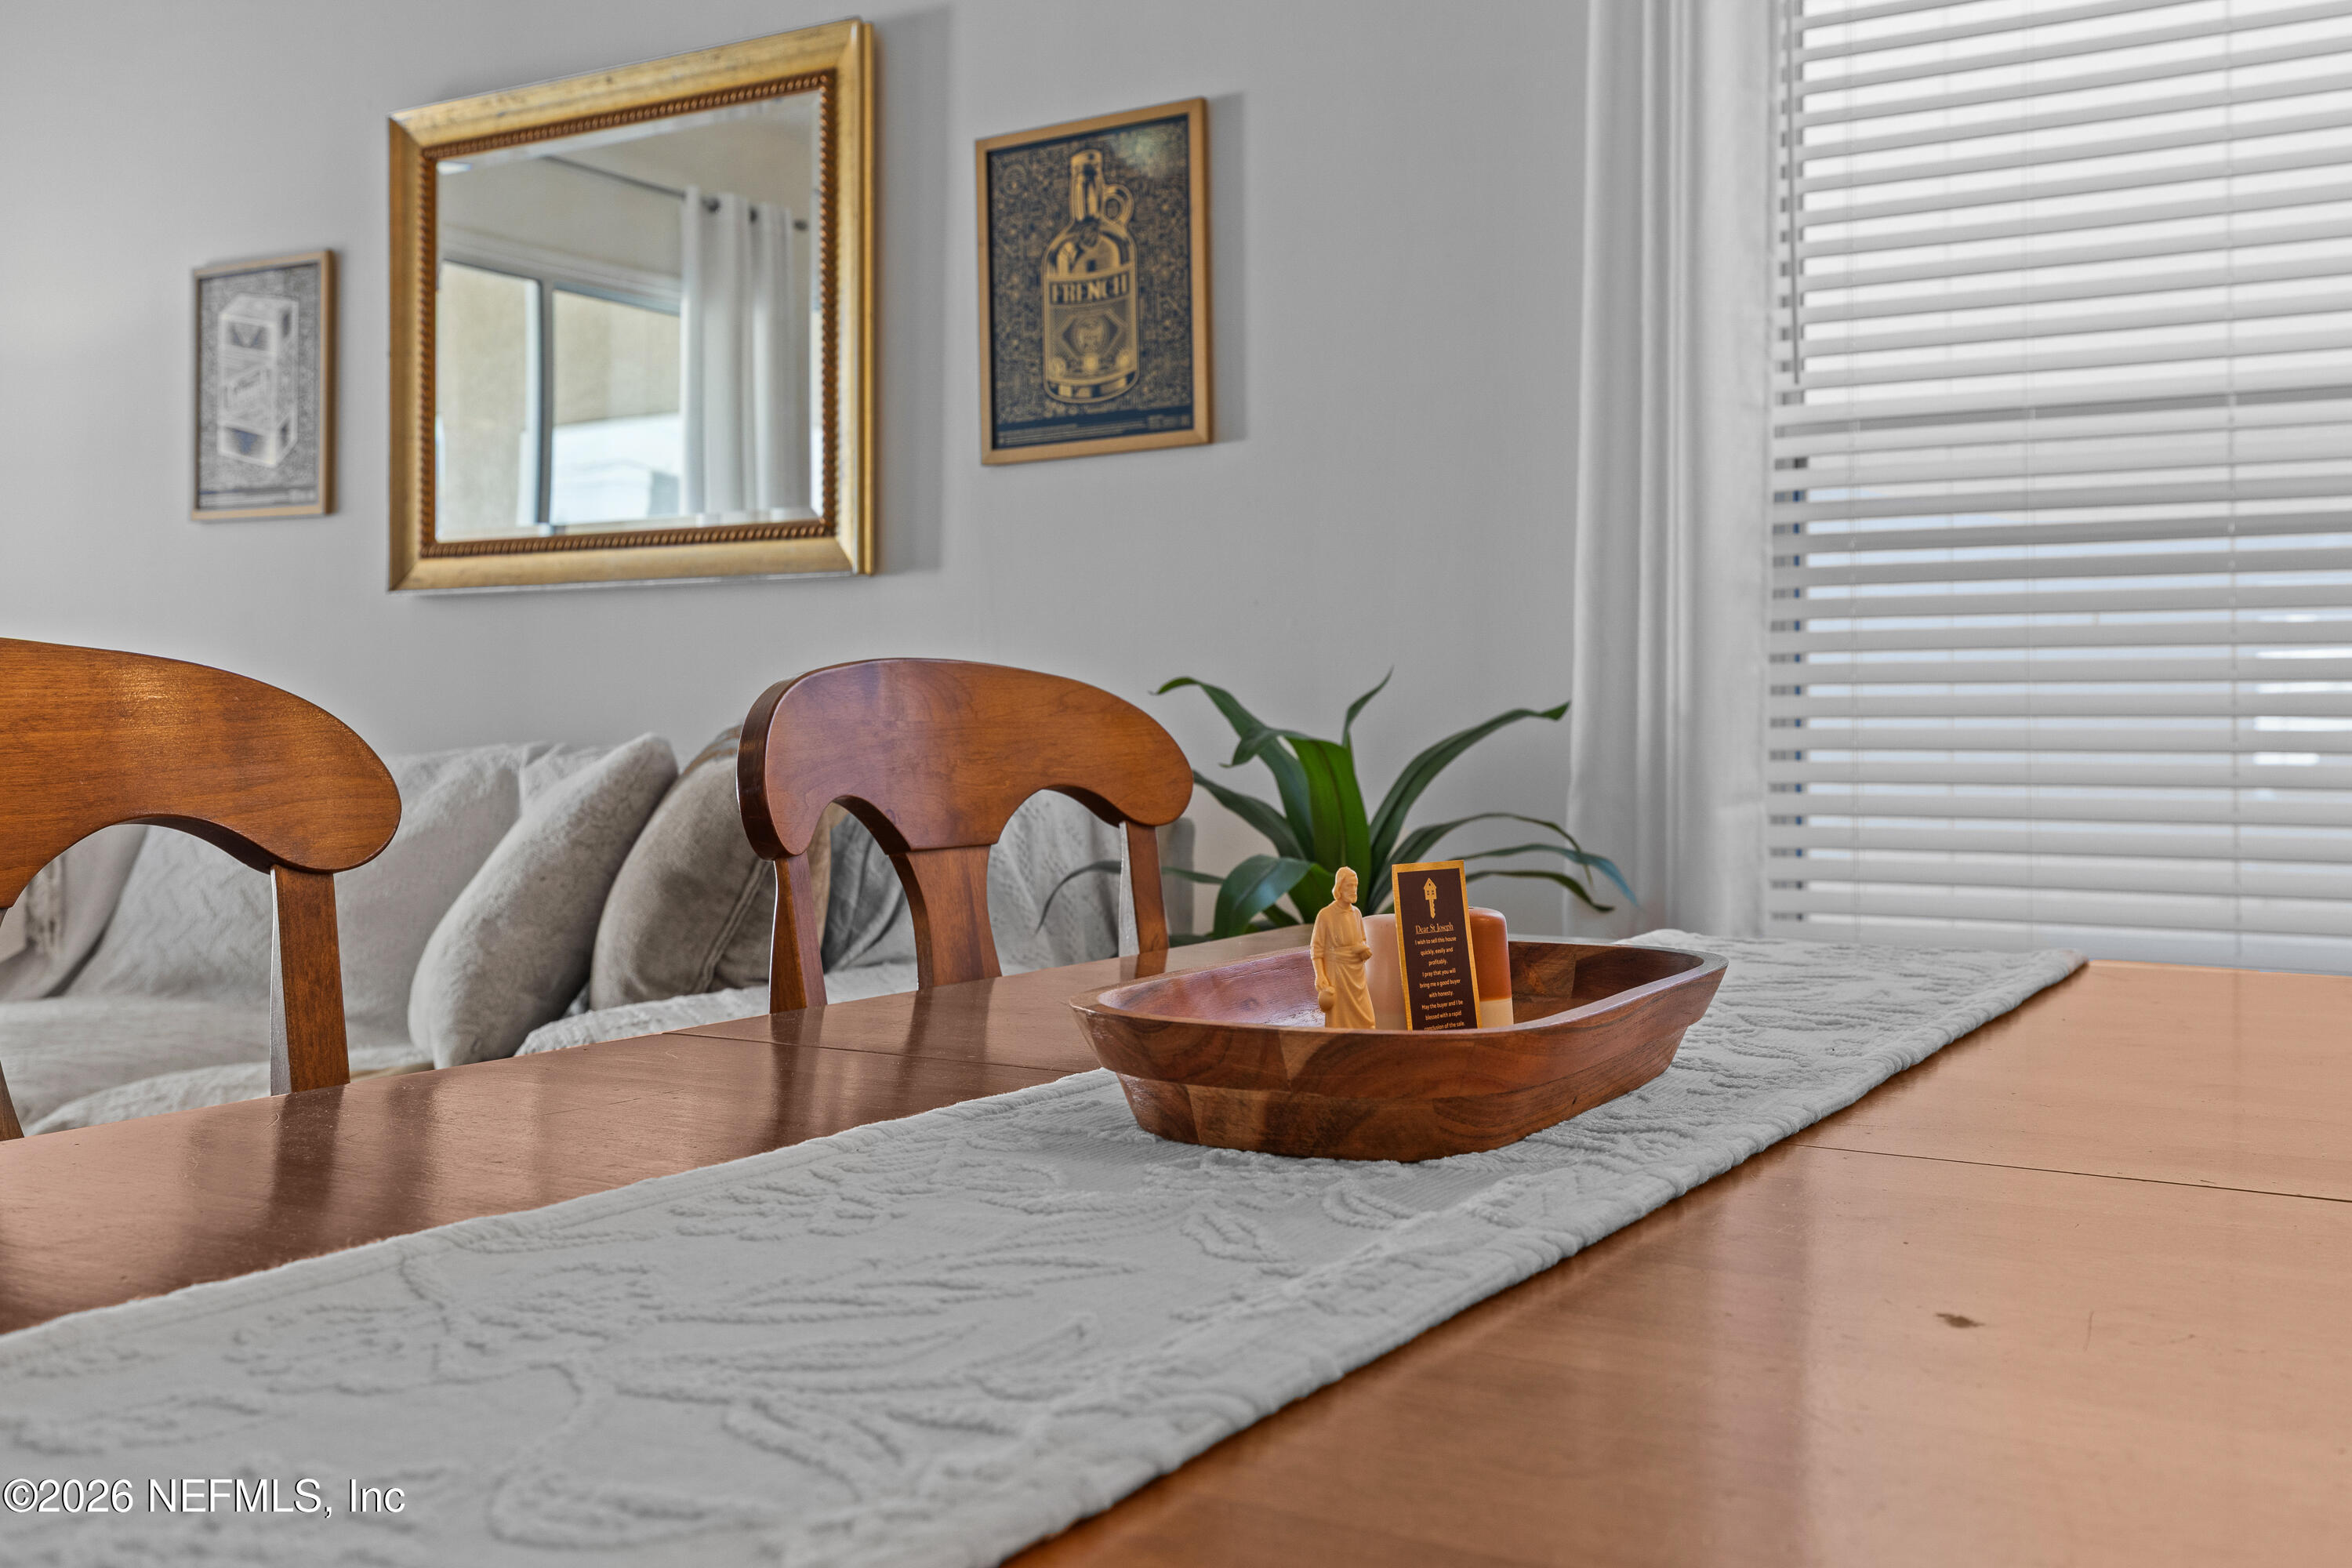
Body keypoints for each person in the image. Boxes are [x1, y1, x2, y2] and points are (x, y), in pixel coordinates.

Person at [1311, 866, 1377, 1029]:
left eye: (1356, 886)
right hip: (1337, 973)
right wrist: (1320, 975)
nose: (1354, 890)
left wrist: (1362, 950)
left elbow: (1362, 940)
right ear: (1340, 887)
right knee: (1339, 1018)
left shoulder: (1357, 914)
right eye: (1350, 886)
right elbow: (1316, 950)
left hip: (1357, 975)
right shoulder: (1325, 915)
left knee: (1367, 1019)